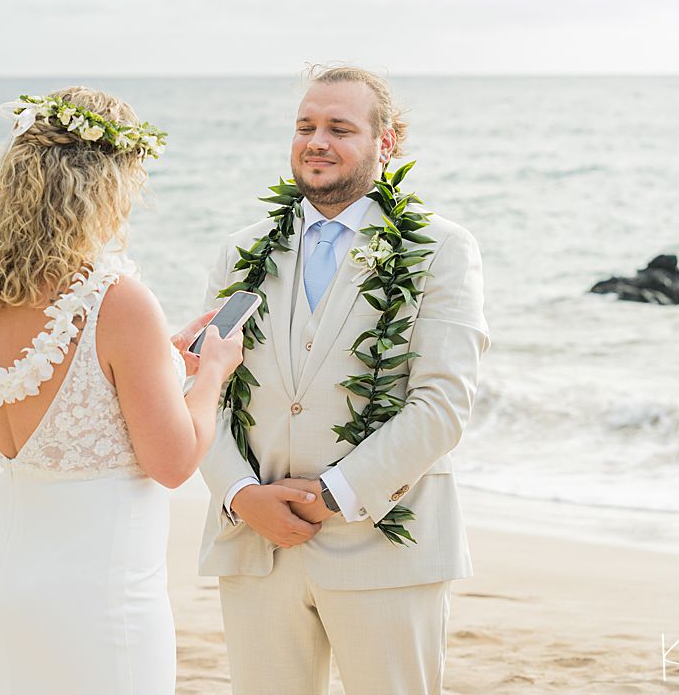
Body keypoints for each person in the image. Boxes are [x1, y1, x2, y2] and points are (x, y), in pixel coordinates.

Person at [0, 86, 246, 694]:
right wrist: (212, 372)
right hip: (97, 595)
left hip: (5, 581)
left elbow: (67, 411)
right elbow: (174, 462)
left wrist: (159, 362)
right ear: (102, 187)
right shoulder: (115, 298)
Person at [198, 66, 491, 695]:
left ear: (387, 142)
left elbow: (443, 405)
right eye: (305, 126)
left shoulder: (442, 249)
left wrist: (334, 493)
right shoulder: (241, 251)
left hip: (385, 544)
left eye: (339, 127)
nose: (316, 141)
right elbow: (208, 393)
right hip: (259, 543)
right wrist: (241, 495)